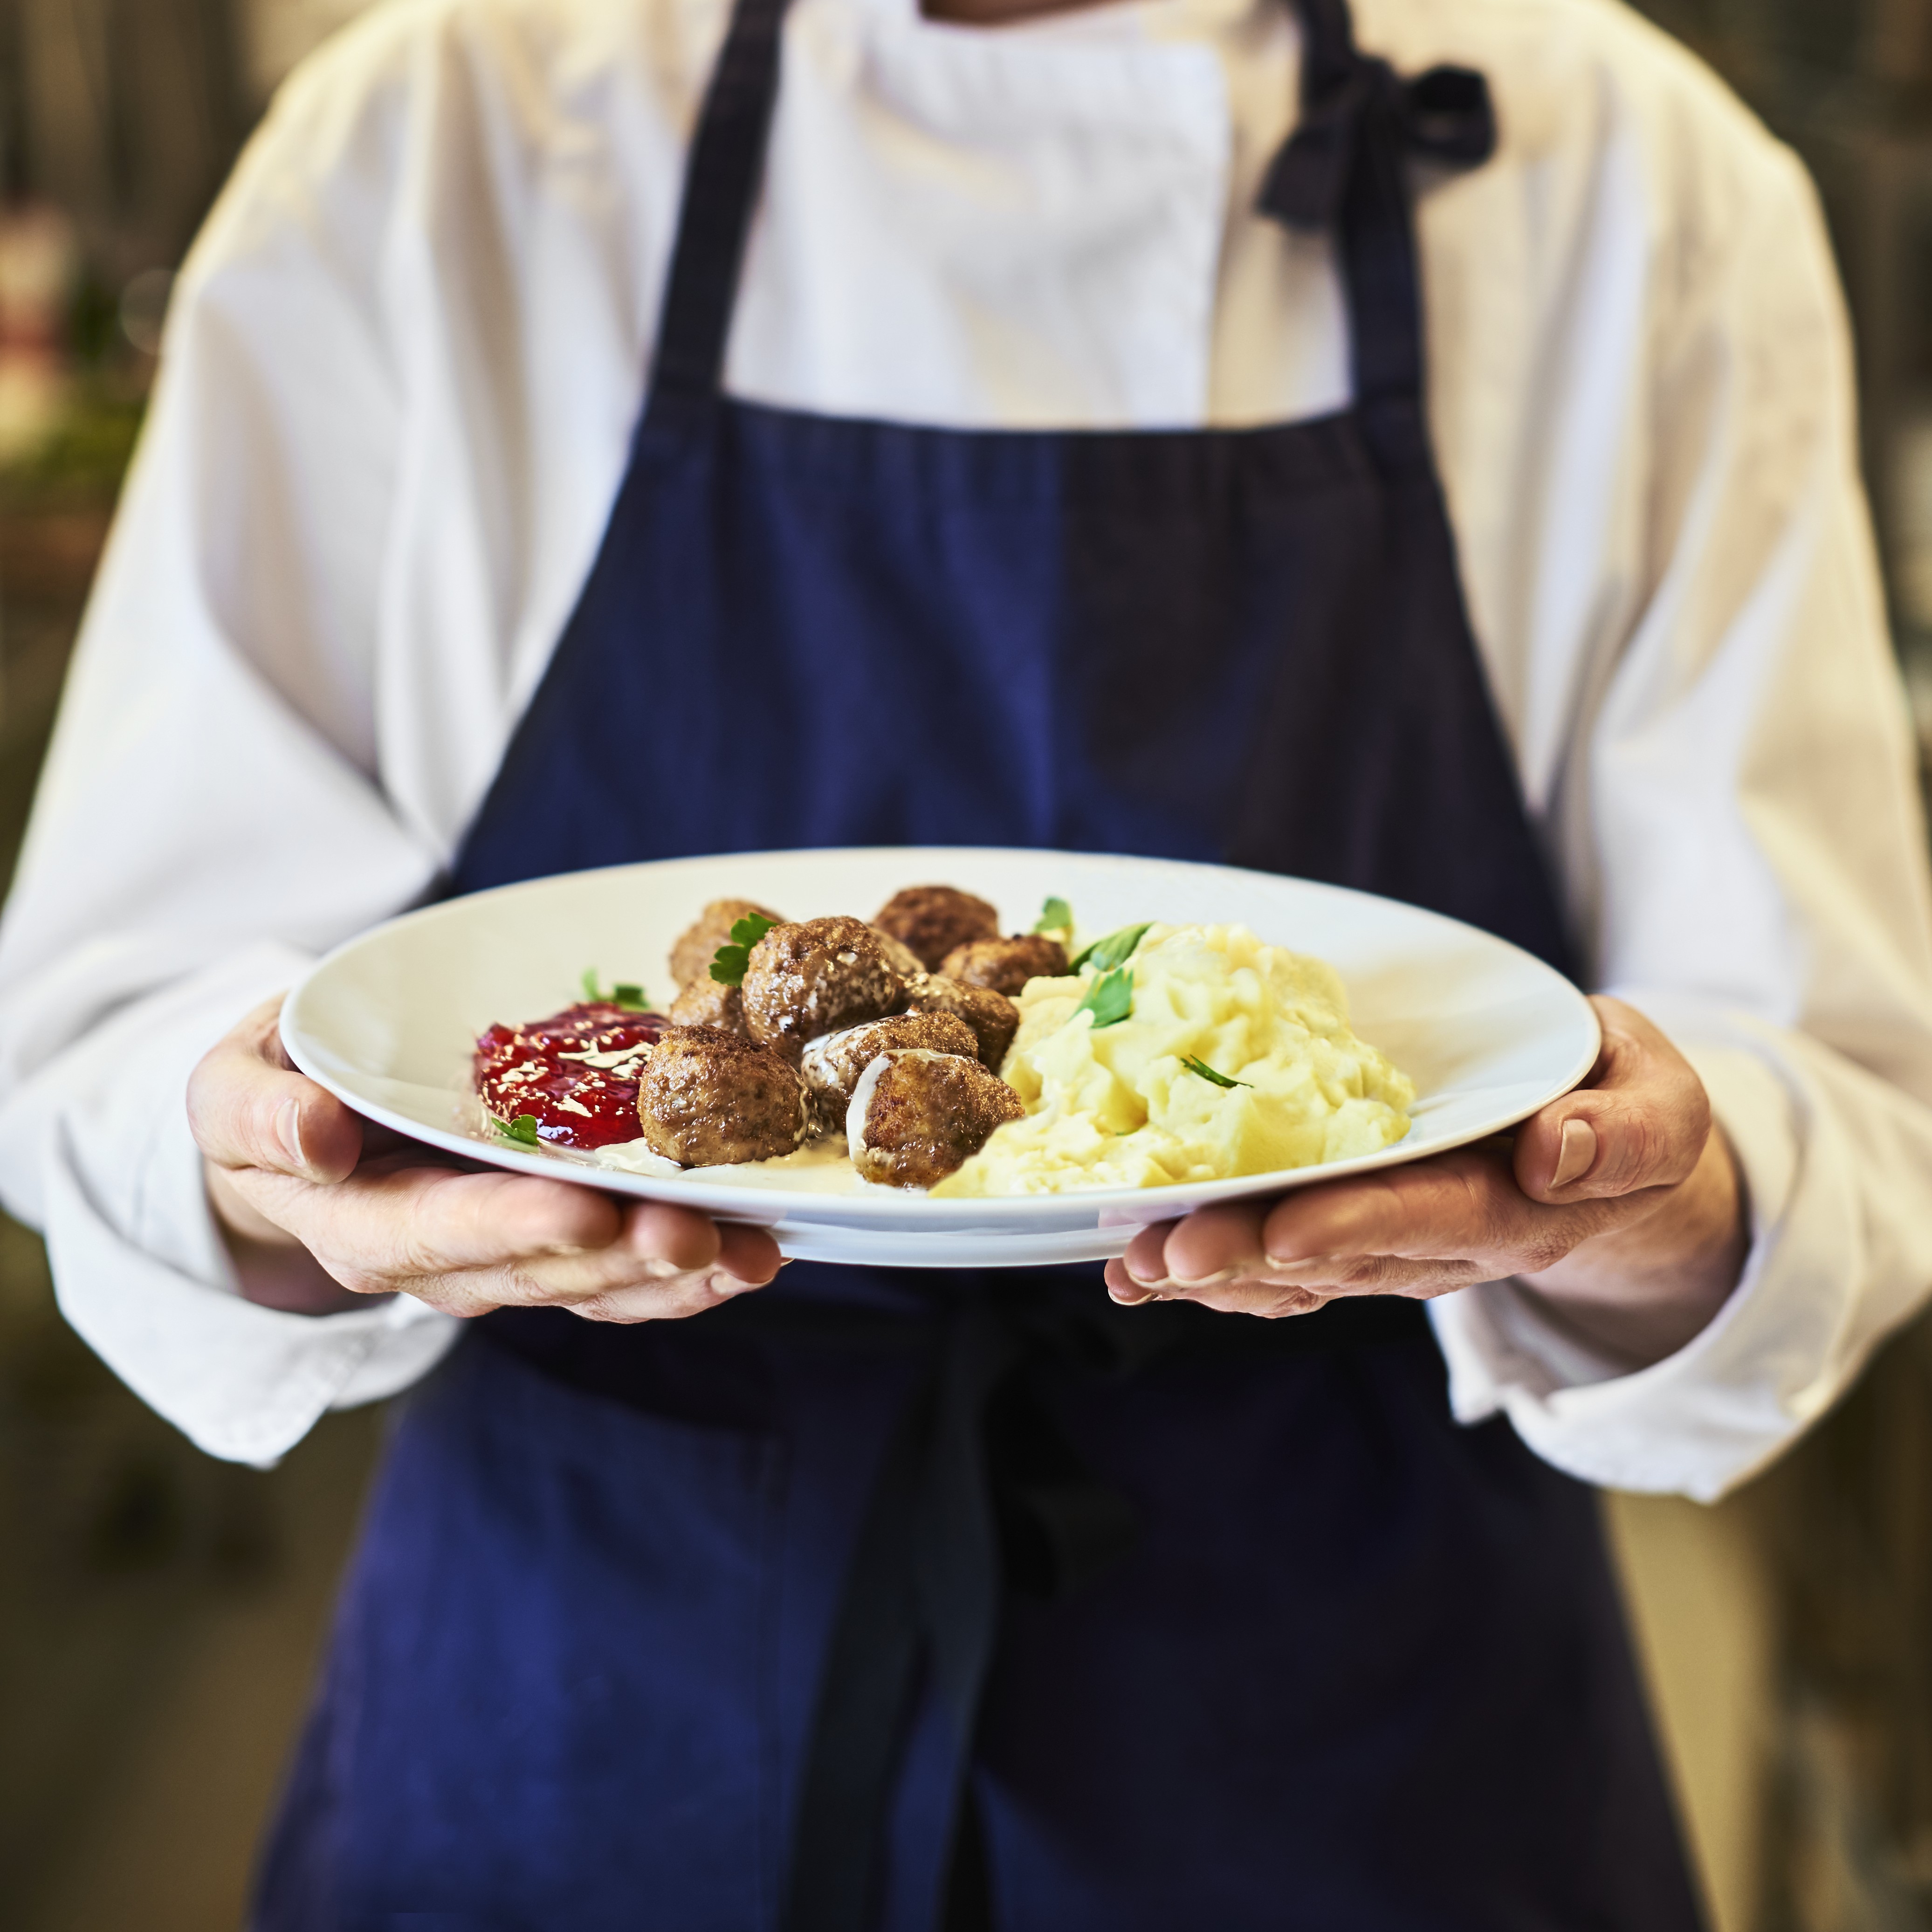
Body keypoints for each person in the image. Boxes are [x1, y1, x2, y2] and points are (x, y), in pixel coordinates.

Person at [4, 0, 1932, 1921]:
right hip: (594, 1684)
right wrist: (287, 1171)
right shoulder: (431, 137)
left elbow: (1825, 1087)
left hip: (1353, 1704)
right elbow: (121, 1007)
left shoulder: (1634, 175)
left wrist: (1632, 1202)